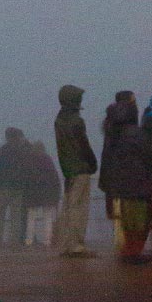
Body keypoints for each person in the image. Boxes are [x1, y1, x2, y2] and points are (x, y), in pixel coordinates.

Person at [99, 91, 152, 261]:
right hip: (138, 180)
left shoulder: (112, 130)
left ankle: (127, 251)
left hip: (118, 181)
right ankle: (134, 252)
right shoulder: (135, 132)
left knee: (125, 219)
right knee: (139, 219)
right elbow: (148, 154)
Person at [53, 84, 99, 257]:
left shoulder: (59, 120)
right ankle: (76, 244)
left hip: (68, 169)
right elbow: (83, 145)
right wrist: (92, 162)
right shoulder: (76, 120)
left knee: (69, 205)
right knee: (79, 206)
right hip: (80, 168)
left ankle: (66, 243)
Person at [0, 127, 32, 247]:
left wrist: (3, 171)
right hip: (18, 187)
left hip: (3, 186)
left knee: (0, 215)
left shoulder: (1, 150)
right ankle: (14, 242)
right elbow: (27, 166)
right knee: (16, 216)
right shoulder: (22, 151)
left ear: (7, 137)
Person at [21, 140, 63, 247]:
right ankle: (47, 241)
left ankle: (29, 240)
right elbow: (54, 177)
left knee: (31, 217)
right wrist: (56, 194)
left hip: (32, 193)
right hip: (47, 192)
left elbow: (25, 178)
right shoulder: (47, 159)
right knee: (47, 217)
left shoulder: (28, 160)